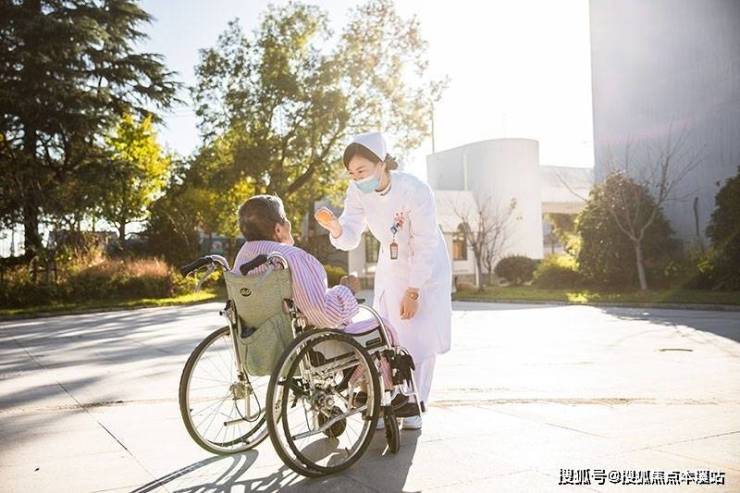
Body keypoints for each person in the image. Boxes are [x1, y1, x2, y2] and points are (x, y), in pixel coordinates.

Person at [230, 194, 412, 427]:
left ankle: (362, 391)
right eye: (285, 218)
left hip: (261, 347)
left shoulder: (243, 258)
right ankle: (379, 394)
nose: (289, 223)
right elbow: (324, 314)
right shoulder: (291, 258)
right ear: (278, 229)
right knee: (381, 327)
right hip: (306, 348)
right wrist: (346, 290)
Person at [314, 131, 452, 430]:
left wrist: (414, 291)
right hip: (391, 262)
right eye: (351, 173)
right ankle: (387, 398)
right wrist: (336, 227)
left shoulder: (415, 189)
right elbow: (351, 233)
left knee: (420, 336)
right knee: (388, 332)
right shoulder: (357, 191)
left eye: (361, 170)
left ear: (382, 163)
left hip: (426, 266)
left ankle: (415, 405)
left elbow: (425, 243)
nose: (356, 178)